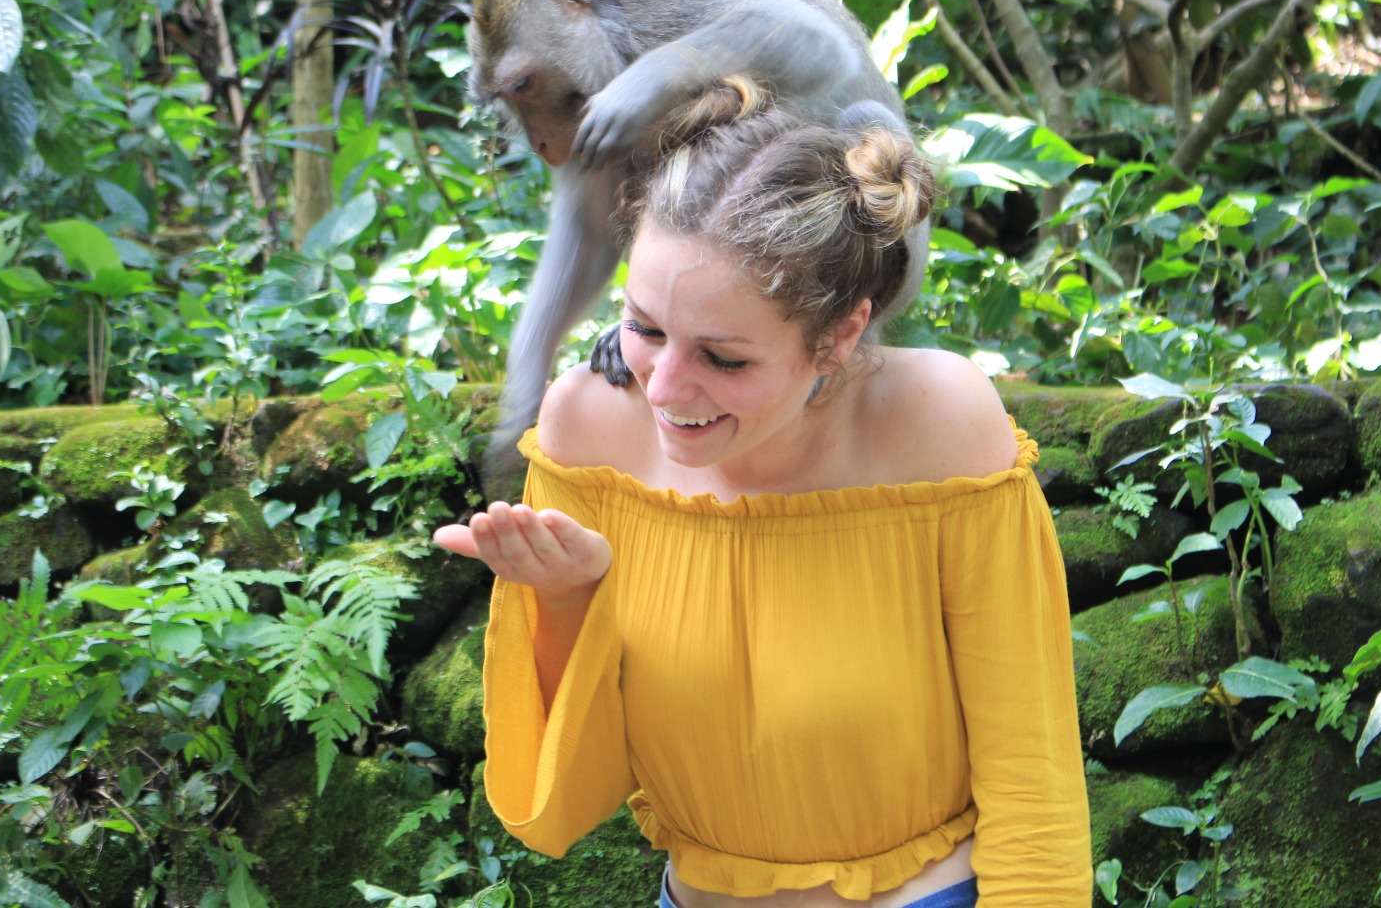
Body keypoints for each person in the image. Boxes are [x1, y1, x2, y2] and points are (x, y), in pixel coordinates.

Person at [434, 77, 1091, 907]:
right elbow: (568, 805)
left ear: (839, 335)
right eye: (643, 327)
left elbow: (1032, 776)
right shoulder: (590, 428)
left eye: (724, 358)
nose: (666, 387)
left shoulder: (939, 424)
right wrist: (568, 601)